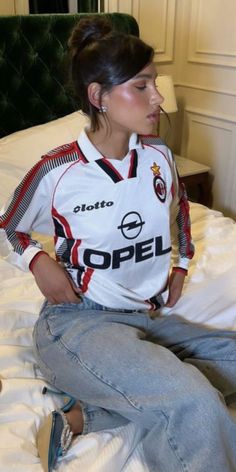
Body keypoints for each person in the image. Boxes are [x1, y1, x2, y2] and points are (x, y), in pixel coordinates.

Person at [1, 14, 236, 472]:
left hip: (144, 318)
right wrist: (36, 260)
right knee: (195, 402)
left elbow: (182, 212)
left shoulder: (158, 156)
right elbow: (10, 223)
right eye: (142, 86)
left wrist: (181, 266)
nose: (159, 98)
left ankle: (87, 414)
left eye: (154, 85)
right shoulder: (57, 169)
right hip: (79, 323)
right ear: (99, 96)